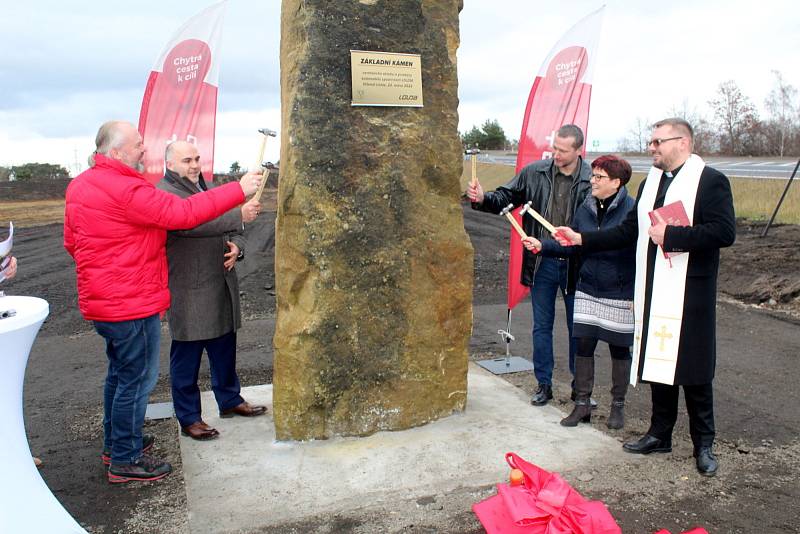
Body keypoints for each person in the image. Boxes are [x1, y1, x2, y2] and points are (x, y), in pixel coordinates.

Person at [64, 121, 262, 483]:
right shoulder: (125, 189)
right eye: (139, 145)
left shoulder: (82, 185)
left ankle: (118, 443)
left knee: (120, 376)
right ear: (117, 152)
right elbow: (182, 216)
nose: (144, 150)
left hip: (108, 297)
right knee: (137, 381)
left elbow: (72, 242)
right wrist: (238, 190)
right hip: (130, 299)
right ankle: (125, 459)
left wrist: (106, 269)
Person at [553, 118, 735, 476]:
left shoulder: (710, 181)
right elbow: (628, 232)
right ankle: (660, 433)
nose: (651, 148)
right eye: (651, 142)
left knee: (694, 371)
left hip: (690, 292)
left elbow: (724, 231)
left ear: (682, 143)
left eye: (657, 142)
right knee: (658, 364)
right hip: (653, 287)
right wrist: (581, 239)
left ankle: (704, 444)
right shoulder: (653, 182)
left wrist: (674, 235)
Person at [467, 124, 591, 406]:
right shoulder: (534, 173)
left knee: (578, 329)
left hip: (576, 265)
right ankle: (543, 384)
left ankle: (580, 390)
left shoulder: (590, 179)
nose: (556, 154)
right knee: (541, 326)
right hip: (542, 263)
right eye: (555, 148)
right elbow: (503, 198)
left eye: (563, 150)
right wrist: (483, 198)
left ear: (578, 150)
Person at [157, 141, 267, 441]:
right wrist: (238, 216)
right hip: (190, 290)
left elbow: (231, 229)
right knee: (186, 358)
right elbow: (189, 223)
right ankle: (189, 417)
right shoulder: (166, 193)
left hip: (220, 284)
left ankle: (230, 400)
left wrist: (237, 248)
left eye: (197, 159)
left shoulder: (205, 188)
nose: (194, 165)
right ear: (169, 164)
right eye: (186, 160)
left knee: (224, 348)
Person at [523, 155, 635, 429]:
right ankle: (582, 404)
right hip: (587, 288)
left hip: (619, 290)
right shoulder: (586, 207)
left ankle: (617, 406)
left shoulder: (631, 211)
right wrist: (544, 246)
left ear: (617, 183)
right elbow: (572, 243)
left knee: (620, 350)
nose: (592, 181)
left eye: (599, 177)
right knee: (583, 347)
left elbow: (622, 244)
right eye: (592, 175)